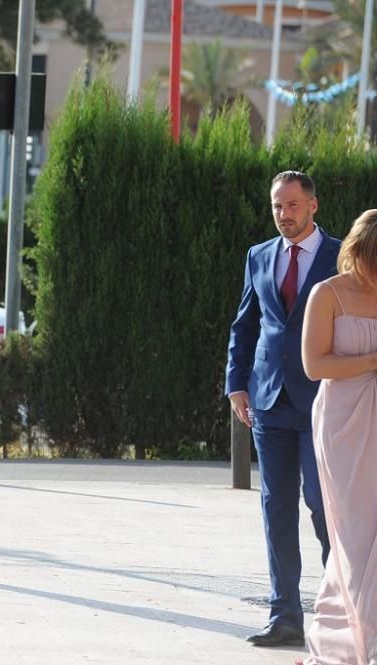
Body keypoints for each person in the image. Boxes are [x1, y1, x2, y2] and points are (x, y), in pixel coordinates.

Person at [225, 170, 338, 647]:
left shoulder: (341, 256)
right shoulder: (259, 256)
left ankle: (344, 610)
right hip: (268, 399)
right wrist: (236, 384)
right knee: (276, 509)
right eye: (277, 206)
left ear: (312, 206)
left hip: (323, 400)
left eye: (292, 206)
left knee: (323, 504)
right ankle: (285, 616)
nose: (283, 215)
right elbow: (245, 324)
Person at [300, 209, 377, 665]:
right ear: (357, 252)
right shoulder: (327, 294)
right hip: (343, 424)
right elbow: (316, 366)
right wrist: (372, 361)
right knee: (353, 533)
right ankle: (345, 638)